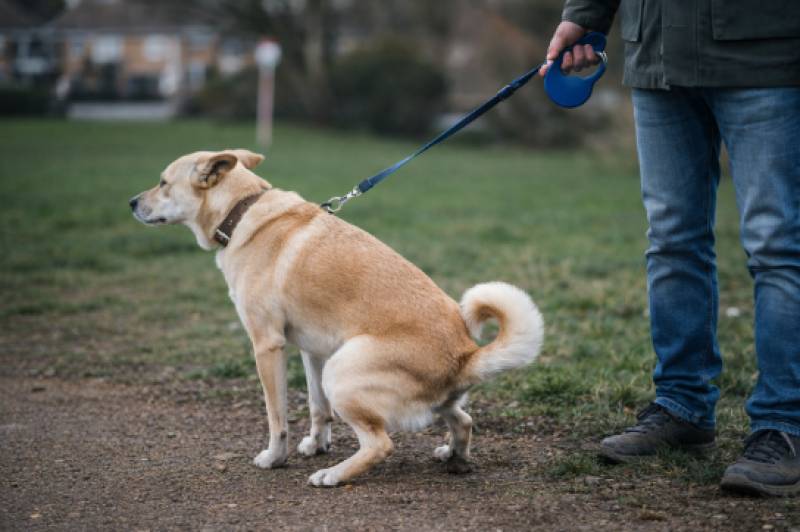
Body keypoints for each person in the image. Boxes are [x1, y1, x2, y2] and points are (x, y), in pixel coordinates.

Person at [541, 0, 800, 496]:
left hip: (766, 53)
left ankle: (784, 423)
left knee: (777, 245)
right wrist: (586, 13)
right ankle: (682, 405)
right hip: (657, 53)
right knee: (671, 239)